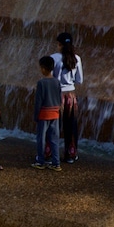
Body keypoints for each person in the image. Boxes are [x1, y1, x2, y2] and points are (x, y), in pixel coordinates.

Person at [51, 32, 84, 163]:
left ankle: (49, 153)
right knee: (71, 126)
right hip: (71, 95)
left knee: (53, 125)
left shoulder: (53, 58)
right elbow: (79, 80)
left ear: (59, 44)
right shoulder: (77, 58)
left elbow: (51, 77)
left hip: (56, 95)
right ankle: (71, 154)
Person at [31, 55, 62, 171]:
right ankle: (56, 163)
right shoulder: (57, 82)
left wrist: (35, 116)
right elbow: (59, 99)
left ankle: (41, 161)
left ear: (43, 68)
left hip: (44, 114)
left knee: (41, 139)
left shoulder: (41, 83)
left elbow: (38, 101)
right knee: (54, 139)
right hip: (55, 114)